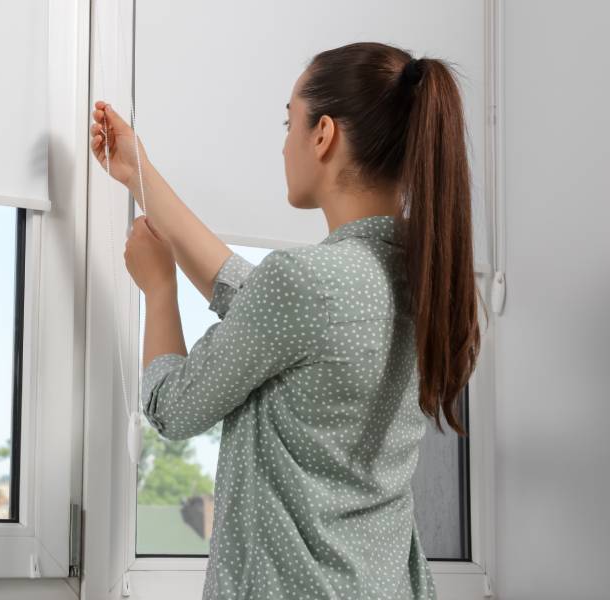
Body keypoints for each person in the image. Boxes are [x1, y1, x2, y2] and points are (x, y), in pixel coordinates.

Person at [90, 41, 484, 599]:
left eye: (288, 122)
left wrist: (159, 289)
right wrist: (139, 175)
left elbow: (172, 407)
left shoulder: (306, 284)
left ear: (323, 134)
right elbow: (254, 302)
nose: (283, 146)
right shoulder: (425, 283)